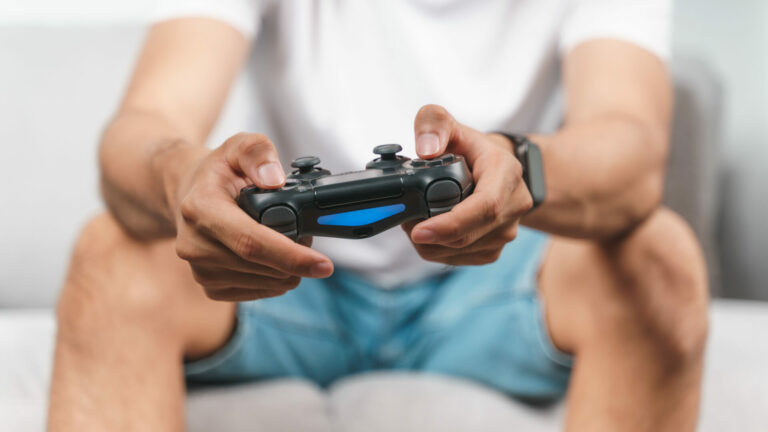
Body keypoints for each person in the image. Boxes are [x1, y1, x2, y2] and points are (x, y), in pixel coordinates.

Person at [47, 0, 709, 431]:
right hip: (286, 285)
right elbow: (144, 127)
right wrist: (181, 178)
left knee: (659, 259)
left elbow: (632, 149)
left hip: (488, 287)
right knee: (113, 256)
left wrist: (517, 166)